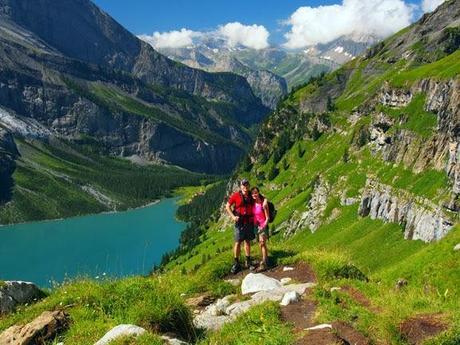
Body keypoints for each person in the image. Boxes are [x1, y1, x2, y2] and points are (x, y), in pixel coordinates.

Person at [225, 178, 255, 274]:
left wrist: (265, 201)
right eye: (243, 185)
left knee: (247, 242)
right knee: (237, 242)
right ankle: (236, 263)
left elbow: (261, 198)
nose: (245, 187)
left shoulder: (251, 194)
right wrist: (233, 217)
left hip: (249, 222)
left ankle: (248, 261)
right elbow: (227, 206)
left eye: (247, 185)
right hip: (239, 222)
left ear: (248, 186)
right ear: (241, 186)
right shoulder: (236, 195)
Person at [251, 187, 270, 272]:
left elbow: (267, 218)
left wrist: (263, 226)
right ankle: (264, 258)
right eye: (252, 193)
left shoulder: (263, 204)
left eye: (255, 193)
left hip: (262, 225)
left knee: (262, 243)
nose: (254, 195)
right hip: (256, 226)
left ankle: (265, 263)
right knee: (260, 243)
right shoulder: (253, 203)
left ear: (258, 193)